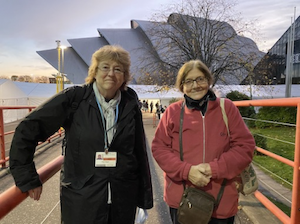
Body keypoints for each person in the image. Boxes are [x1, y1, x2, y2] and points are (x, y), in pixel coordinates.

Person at [9, 45, 153, 224]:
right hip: (83, 200)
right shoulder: (75, 98)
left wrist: (143, 198)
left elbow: (139, 150)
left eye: (118, 69)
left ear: (124, 76)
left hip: (122, 200)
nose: (111, 74)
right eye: (105, 67)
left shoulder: (130, 103)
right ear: (94, 71)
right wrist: (27, 177)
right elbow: (28, 128)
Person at [151, 59, 255, 224]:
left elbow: (245, 147)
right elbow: (159, 148)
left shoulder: (227, 108)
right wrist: (187, 172)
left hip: (221, 200)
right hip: (183, 201)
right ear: (182, 86)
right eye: (189, 81)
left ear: (208, 80)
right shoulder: (172, 112)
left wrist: (213, 169)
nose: (195, 85)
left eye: (200, 79)